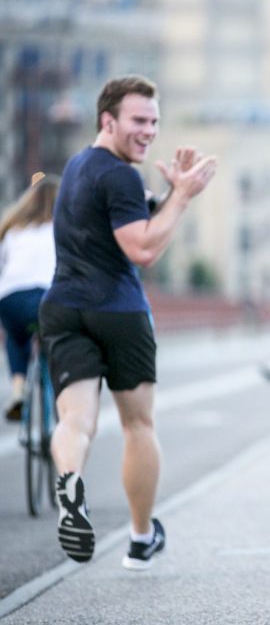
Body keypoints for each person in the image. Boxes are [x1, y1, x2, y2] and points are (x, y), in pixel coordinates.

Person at [39, 75, 217, 569]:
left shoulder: (79, 167)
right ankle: (141, 539)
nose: (149, 131)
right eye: (139, 121)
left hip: (63, 307)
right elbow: (141, 247)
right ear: (108, 120)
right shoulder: (118, 174)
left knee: (75, 419)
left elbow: (123, 219)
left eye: (155, 122)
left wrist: (166, 195)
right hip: (117, 310)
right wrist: (181, 198)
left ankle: (70, 481)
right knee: (138, 424)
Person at [0, 174, 59, 420]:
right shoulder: (61, 227)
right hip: (49, 298)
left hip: (10, 298)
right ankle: (64, 397)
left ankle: (18, 388)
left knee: (16, 336)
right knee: (62, 339)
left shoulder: (12, 229)